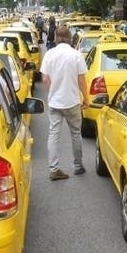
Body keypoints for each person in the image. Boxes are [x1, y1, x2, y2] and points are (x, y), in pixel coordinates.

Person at [39, 24, 88, 180]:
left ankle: (54, 169)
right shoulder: (76, 55)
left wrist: (51, 91)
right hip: (72, 101)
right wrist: (85, 98)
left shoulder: (49, 54)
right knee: (75, 134)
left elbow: (45, 78)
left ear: (55, 38)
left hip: (55, 102)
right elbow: (82, 80)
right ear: (69, 38)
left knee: (53, 134)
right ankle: (78, 166)